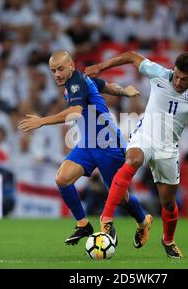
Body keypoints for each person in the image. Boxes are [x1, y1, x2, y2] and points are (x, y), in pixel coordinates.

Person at [85, 51, 188, 258]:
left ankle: (168, 240)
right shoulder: (160, 73)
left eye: (184, 79)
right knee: (132, 160)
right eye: (177, 75)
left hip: (168, 149)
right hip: (145, 137)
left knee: (168, 203)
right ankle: (106, 219)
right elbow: (132, 56)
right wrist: (101, 67)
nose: (178, 81)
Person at [18, 50, 150, 246]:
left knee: (121, 198)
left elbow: (74, 113)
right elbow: (104, 86)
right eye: (53, 71)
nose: (57, 74)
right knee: (62, 178)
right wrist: (123, 91)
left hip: (108, 144)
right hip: (87, 144)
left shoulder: (76, 82)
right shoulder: (79, 81)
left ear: (71, 65)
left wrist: (42, 121)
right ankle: (83, 224)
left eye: (60, 69)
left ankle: (142, 221)